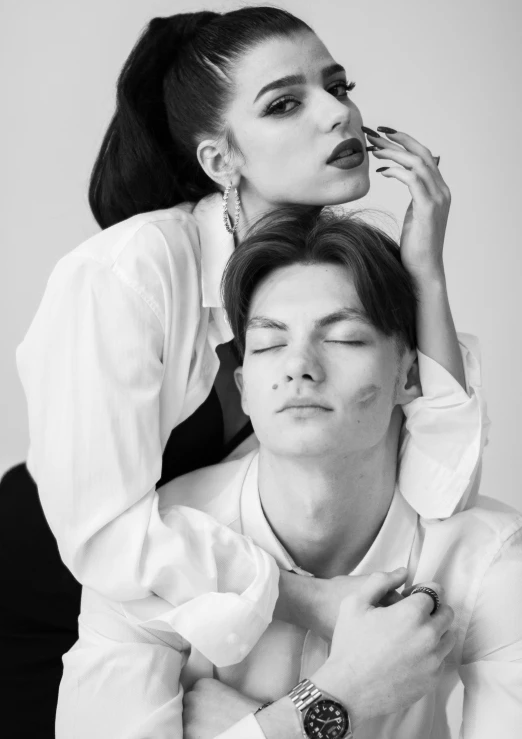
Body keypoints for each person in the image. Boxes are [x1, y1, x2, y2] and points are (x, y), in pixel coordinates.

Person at [8, 6, 486, 735]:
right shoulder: (127, 273)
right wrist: (308, 602)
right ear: (219, 160)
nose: (339, 114)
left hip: (189, 623)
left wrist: (425, 273)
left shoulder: (331, 270)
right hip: (49, 606)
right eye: (286, 103)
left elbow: (438, 486)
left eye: (338, 85)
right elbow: (103, 533)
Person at [56, 208, 520, 739]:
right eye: (270, 344)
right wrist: (338, 696)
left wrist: (244, 727)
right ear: (244, 387)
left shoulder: (490, 563)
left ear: (409, 378)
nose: (299, 365)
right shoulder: (150, 553)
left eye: (344, 339)